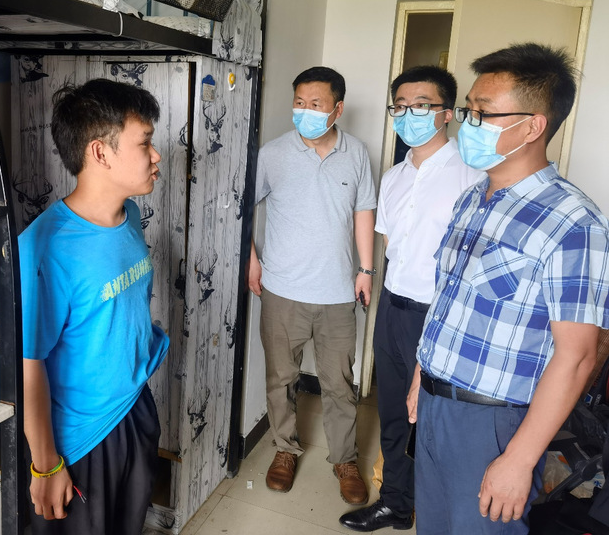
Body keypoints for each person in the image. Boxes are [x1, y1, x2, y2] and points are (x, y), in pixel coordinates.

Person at [405, 43, 609, 534]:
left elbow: (578, 356)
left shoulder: (574, 223)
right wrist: (421, 375)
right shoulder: (473, 198)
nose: (467, 124)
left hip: (494, 426)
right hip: (435, 403)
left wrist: (519, 459)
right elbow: (450, 301)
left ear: (533, 126)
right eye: (468, 110)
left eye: (483, 113)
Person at [19, 79, 169, 534]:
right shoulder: (44, 248)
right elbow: (29, 365)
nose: (156, 155)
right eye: (144, 143)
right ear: (100, 152)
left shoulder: (131, 217)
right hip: (83, 439)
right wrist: (46, 465)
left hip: (134, 407)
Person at [340, 66, 483, 531]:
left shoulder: (474, 176)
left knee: (435, 419)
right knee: (393, 414)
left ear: (447, 113)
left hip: (441, 314)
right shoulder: (394, 176)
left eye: (420, 106)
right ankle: (397, 505)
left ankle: (441, 514)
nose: (407, 115)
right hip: (393, 306)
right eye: (399, 107)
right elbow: (390, 246)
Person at [248, 66, 377, 504]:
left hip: (337, 293)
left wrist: (366, 269)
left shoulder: (356, 153)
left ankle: (344, 460)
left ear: (337, 109)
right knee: (280, 378)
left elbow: (363, 211)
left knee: (339, 383)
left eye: (316, 104)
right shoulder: (273, 154)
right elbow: (244, 208)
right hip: (282, 290)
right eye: (299, 103)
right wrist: (251, 260)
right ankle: (285, 450)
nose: (305, 111)